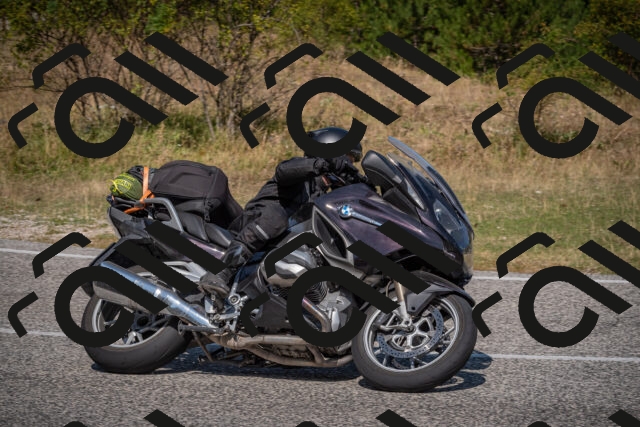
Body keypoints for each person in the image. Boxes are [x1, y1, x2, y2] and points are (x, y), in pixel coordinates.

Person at [198, 126, 366, 296]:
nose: (347, 165)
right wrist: (322, 164)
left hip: (278, 245)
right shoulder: (299, 172)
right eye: (346, 159)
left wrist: (363, 184)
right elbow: (283, 171)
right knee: (276, 217)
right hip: (252, 224)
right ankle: (221, 272)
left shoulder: (323, 196)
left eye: (351, 163)